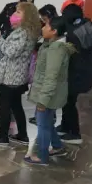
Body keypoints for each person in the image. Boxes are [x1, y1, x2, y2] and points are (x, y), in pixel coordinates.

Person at [0, 2, 41, 147]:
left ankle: (2, 137)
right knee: (16, 105)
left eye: (18, 12)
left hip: (11, 76)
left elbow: (11, 52)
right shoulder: (27, 31)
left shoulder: (23, 32)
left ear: (27, 16)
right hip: (17, 75)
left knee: (5, 106)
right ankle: (22, 135)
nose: (14, 15)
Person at [24, 17, 75, 165]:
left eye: (46, 26)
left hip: (48, 95)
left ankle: (42, 156)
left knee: (43, 125)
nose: (43, 28)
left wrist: (43, 100)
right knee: (46, 122)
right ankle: (58, 146)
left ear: (54, 31)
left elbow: (51, 76)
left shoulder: (56, 50)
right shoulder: (51, 45)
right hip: (50, 93)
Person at [0, 0, 35, 109]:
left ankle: (10, 101)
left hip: (15, 49)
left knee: (13, 78)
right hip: (4, 44)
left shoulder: (30, 15)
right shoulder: (10, 8)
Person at [57, 3, 92, 144]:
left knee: (69, 102)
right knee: (68, 100)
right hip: (81, 70)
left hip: (77, 72)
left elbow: (71, 49)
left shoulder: (75, 31)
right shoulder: (86, 26)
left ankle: (74, 134)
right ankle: (65, 126)